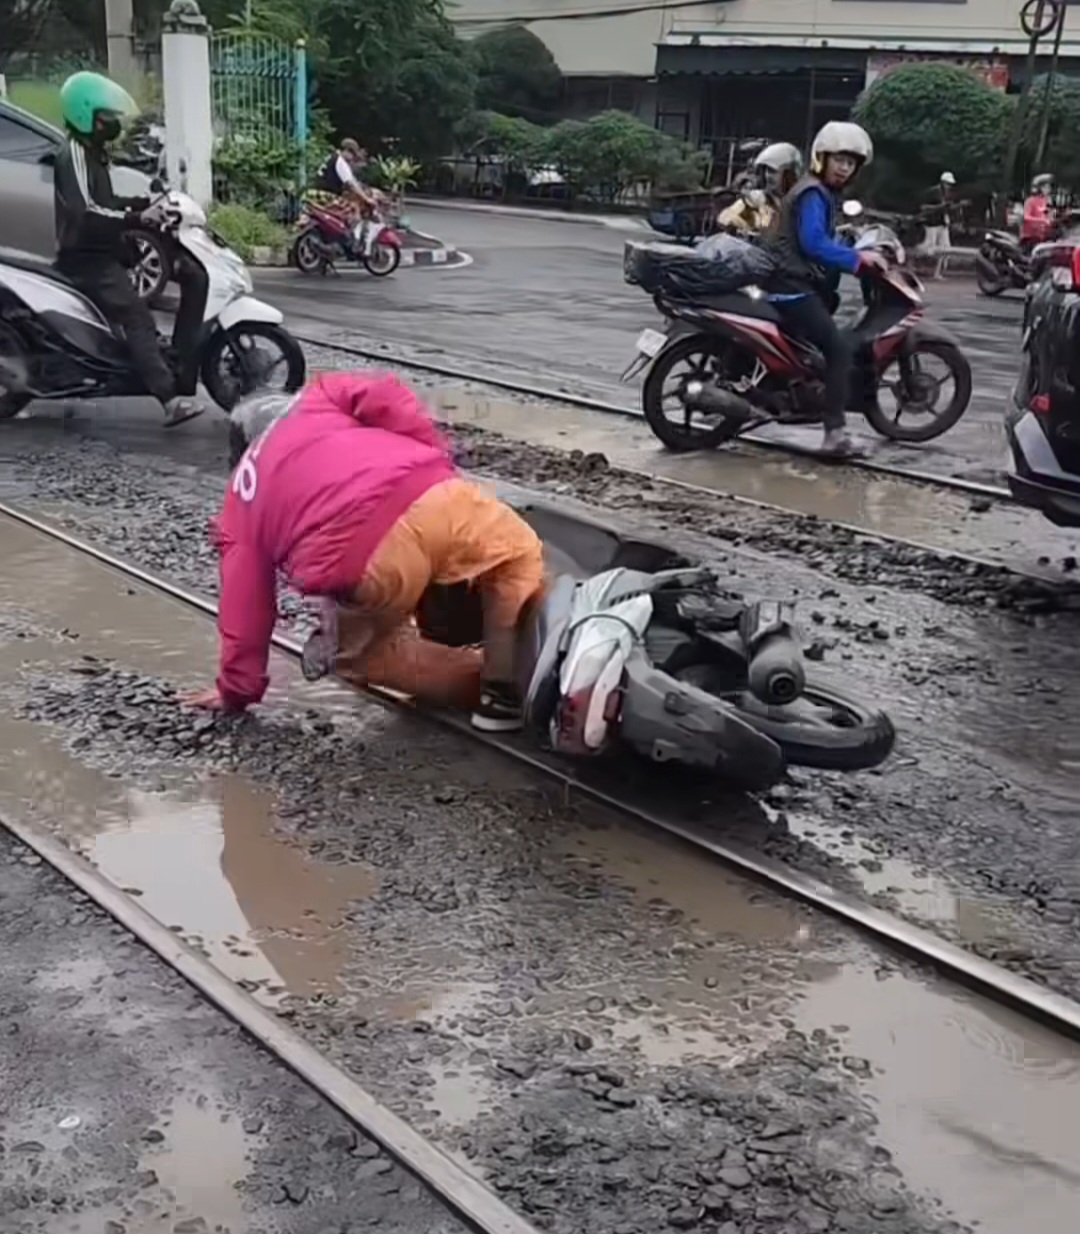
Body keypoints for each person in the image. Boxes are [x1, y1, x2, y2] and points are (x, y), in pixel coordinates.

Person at [181, 372, 547, 732]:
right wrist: (431, 454)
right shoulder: (317, 397)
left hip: (365, 558)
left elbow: (246, 606)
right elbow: (387, 396)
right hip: (434, 497)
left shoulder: (241, 501)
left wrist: (236, 690)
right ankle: (506, 683)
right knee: (514, 555)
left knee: (365, 657)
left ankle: (486, 688)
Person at [53, 71, 205, 427]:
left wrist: (147, 205)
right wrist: (138, 217)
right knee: (137, 317)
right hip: (86, 259)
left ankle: (161, 361)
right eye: (106, 116)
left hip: (104, 251)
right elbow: (87, 211)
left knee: (154, 301)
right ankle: (169, 400)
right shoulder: (74, 154)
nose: (113, 123)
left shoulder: (92, 153)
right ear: (86, 115)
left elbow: (107, 202)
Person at [763, 120, 888, 459]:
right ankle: (835, 434)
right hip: (790, 285)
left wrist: (847, 243)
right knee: (839, 349)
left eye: (851, 163)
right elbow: (814, 243)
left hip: (785, 279)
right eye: (839, 160)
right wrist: (858, 260)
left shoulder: (816, 191)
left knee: (828, 306)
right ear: (822, 158)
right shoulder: (813, 193)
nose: (844, 168)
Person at [310, 138, 383, 254]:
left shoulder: (332, 157)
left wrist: (362, 189)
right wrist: (366, 199)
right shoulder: (340, 162)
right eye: (352, 155)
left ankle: (338, 241)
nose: (352, 159)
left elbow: (352, 180)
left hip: (316, 193)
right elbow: (351, 184)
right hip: (326, 195)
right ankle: (344, 243)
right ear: (347, 151)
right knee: (353, 212)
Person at [717, 142, 804, 236]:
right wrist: (743, 223)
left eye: (773, 171)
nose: (767, 176)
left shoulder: (803, 203)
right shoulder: (757, 198)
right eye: (766, 171)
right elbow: (724, 218)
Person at [920, 171, 957, 280]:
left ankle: (937, 272)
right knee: (929, 248)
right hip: (932, 223)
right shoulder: (933, 192)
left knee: (945, 248)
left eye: (950, 184)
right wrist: (940, 207)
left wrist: (956, 206)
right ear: (942, 182)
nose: (949, 186)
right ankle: (916, 257)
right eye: (947, 184)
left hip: (942, 223)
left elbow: (947, 208)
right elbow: (924, 207)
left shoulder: (947, 194)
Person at [1021, 174, 1056, 249]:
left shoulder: (1046, 201)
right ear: (1038, 188)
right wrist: (1043, 220)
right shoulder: (1030, 201)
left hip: (1043, 237)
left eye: (1049, 187)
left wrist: (1052, 216)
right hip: (1030, 237)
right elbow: (1026, 217)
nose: (1048, 189)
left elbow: (1048, 217)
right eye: (1045, 187)